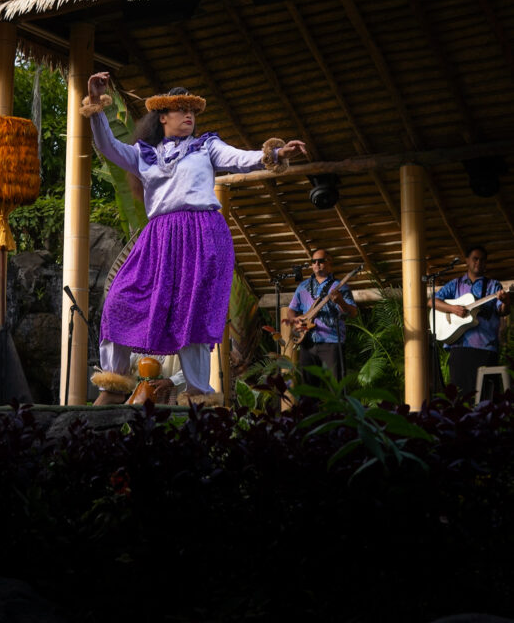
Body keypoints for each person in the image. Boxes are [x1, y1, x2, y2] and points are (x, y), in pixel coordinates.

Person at [81, 71, 307, 406]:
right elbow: (107, 146)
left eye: (192, 110)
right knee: (120, 300)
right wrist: (97, 105)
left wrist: (274, 155)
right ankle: (114, 387)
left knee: (194, 311)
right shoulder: (145, 154)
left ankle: (198, 392)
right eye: (180, 109)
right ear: (163, 117)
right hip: (158, 239)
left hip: (202, 236)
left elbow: (239, 159)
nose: (189, 115)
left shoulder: (206, 146)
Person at [429, 245, 510, 396]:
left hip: (485, 348)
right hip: (459, 348)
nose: (479, 262)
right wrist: (453, 309)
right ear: (467, 260)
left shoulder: (493, 286)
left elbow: (503, 311)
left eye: (482, 260)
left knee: (485, 395)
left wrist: (505, 301)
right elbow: (432, 301)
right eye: (475, 259)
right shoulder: (455, 284)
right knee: (460, 396)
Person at [284, 248, 358, 381]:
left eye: (321, 261)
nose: (317, 264)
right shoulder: (303, 286)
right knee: (308, 390)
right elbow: (291, 309)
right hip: (307, 343)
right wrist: (295, 321)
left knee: (336, 388)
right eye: (314, 261)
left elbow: (353, 313)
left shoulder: (341, 286)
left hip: (332, 343)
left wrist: (341, 301)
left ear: (330, 263)